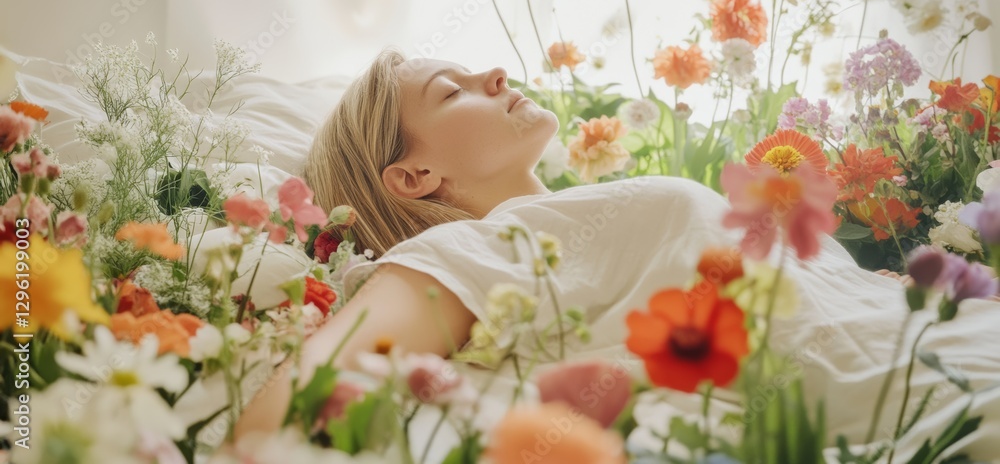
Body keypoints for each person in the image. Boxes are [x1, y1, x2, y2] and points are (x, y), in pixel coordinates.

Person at [233, 49, 1000, 460]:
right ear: (414, 177)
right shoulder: (470, 246)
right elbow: (291, 406)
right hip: (946, 407)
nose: (494, 73)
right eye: (451, 89)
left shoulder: (571, 219)